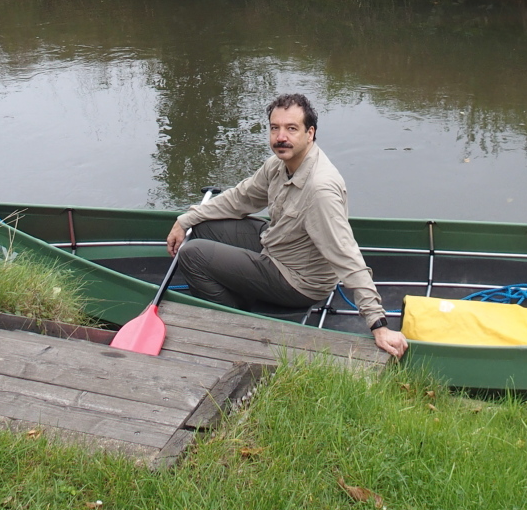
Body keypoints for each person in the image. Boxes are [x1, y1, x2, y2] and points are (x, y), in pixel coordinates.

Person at [166, 93, 408, 359]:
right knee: (203, 227)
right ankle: (241, 287)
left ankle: (238, 318)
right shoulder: (279, 164)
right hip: (277, 245)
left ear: (310, 133)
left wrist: (378, 324)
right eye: (275, 128)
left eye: (291, 128)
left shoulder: (320, 189)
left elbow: (346, 255)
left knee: (192, 255)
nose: (281, 137)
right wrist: (186, 219)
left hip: (298, 281)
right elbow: (240, 198)